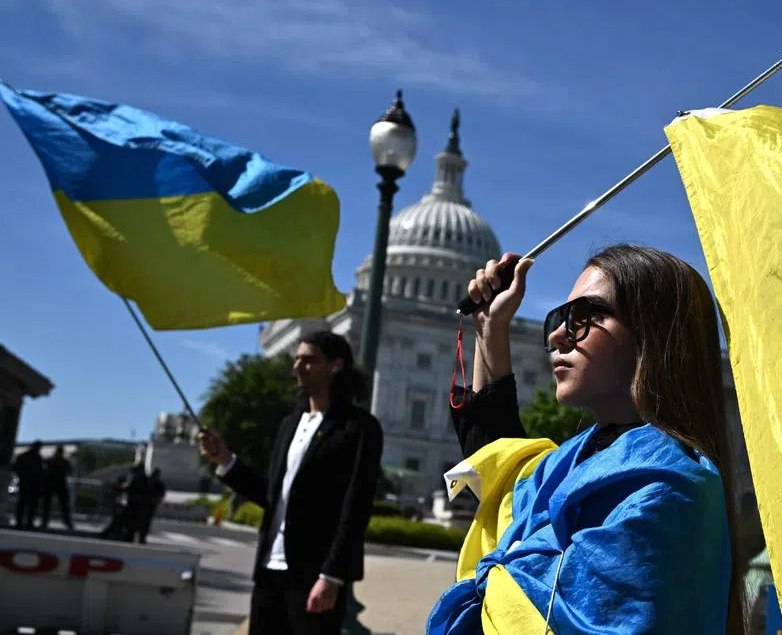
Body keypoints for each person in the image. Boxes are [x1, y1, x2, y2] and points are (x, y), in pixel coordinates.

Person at [428, 246, 747, 634]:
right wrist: (491, 327)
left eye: (587, 315)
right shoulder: (571, 462)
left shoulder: (667, 490)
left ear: (653, 334)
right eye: (560, 318)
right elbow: (503, 481)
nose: (559, 335)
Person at [199, 330, 383, 635]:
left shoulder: (359, 428)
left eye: (308, 360)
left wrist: (333, 576)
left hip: (314, 576)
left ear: (335, 366)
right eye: (296, 359)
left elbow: (356, 506)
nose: (297, 367)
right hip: (269, 573)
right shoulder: (289, 425)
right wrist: (226, 460)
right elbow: (273, 496)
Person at [12, 440, 44, 529]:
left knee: (24, 504)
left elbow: (15, 468)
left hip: (27, 483)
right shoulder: (36, 458)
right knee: (29, 505)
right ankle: (26, 523)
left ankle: (21, 522)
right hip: (30, 484)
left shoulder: (25, 456)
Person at [40, 445, 74, 530]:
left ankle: (66, 521)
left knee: (62, 505)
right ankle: (46, 521)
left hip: (57, 484)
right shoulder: (56, 461)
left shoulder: (59, 461)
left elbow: (69, 471)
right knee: (50, 505)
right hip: (53, 484)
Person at [137, 467, 166, 543]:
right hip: (145, 504)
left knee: (145, 521)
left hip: (149, 505)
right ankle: (141, 536)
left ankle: (142, 537)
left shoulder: (158, 484)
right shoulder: (148, 482)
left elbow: (161, 495)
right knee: (143, 521)